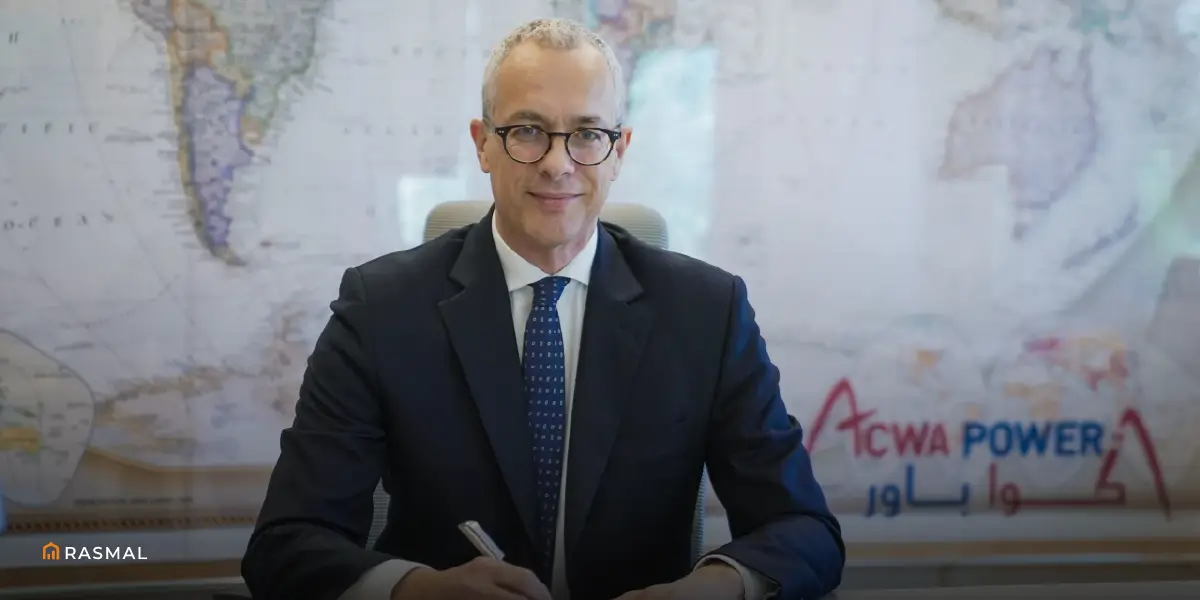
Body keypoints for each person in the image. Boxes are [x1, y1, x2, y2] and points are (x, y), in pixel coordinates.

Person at [241, 17, 844, 600]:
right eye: (528, 130)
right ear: (483, 144)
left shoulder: (707, 313)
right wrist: (419, 589)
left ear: (619, 151)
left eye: (587, 133)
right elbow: (287, 544)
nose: (558, 163)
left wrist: (714, 588)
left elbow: (804, 530)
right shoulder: (381, 309)